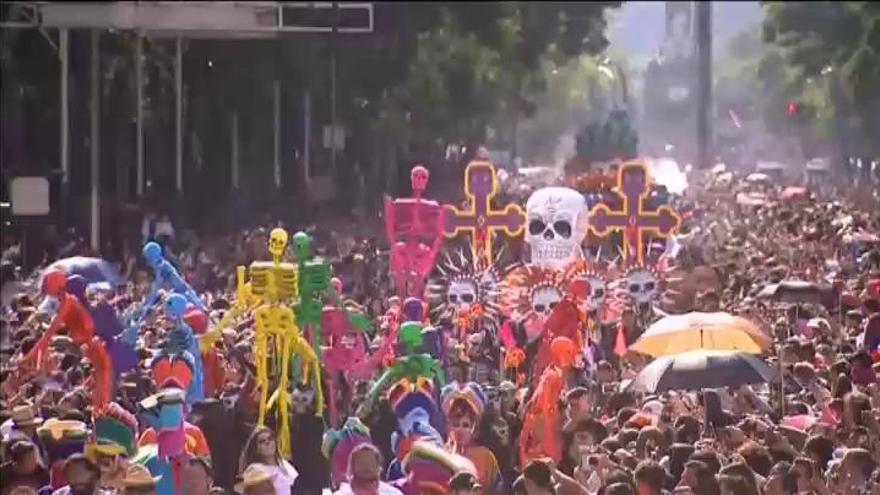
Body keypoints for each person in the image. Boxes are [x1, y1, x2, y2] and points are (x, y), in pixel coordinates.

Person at [238, 426, 298, 495]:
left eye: (270, 438)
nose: (267, 442)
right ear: (256, 449)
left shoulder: (285, 465)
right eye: (262, 441)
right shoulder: (254, 469)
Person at [332, 443, 402, 495]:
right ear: (352, 467)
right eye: (362, 462)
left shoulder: (392, 493)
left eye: (370, 462)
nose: (366, 466)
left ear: (378, 467)